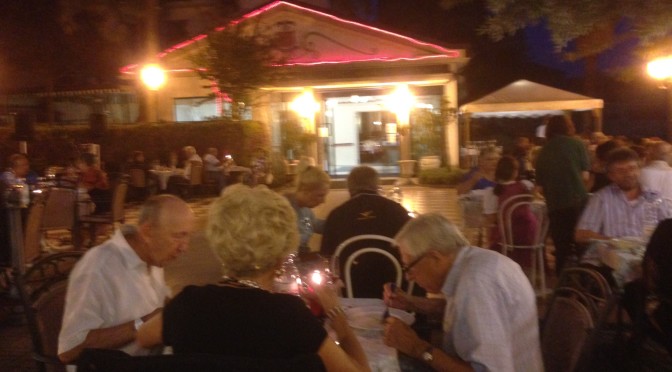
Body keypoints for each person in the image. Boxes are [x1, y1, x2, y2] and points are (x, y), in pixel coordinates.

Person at [136, 185, 370, 371]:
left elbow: (143, 338)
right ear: (281, 252)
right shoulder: (289, 316)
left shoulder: (188, 303)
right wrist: (337, 315)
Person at [382, 213, 543, 371]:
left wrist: (416, 347)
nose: (409, 277)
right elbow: (462, 313)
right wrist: (411, 303)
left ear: (434, 257)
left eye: (409, 267)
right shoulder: (474, 261)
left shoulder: (475, 284)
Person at [58, 195, 196, 363]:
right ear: (147, 232)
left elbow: (159, 306)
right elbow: (69, 351)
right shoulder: (99, 269)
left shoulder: (152, 258)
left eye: (187, 236)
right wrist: (143, 324)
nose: (184, 247)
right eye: (178, 236)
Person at [320, 166, 412, 298]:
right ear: (377, 186)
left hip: (350, 294)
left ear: (349, 189)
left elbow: (326, 258)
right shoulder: (397, 212)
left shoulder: (336, 215)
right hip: (394, 293)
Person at [575, 147, 672, 245]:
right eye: (620, 170)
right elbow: (582, 234)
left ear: (639, 169)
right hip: (611, 256)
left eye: (632, 168)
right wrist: (617, 243)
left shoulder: (655, 198)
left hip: (647, 257)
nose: (628, 174)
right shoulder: (601, 199)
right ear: (610, 176)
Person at [535, 115, 590, 275]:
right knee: (582, 245)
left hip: (556, 204)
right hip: (578, 200)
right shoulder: (577, 144)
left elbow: (539, 186)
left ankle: (562, 286)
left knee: (561, 248)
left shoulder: (542, 152)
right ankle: (584, 281)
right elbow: (585, 176)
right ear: (569, 127)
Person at [482, 155, 537, 268]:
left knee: (490, 229)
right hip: (530, 235)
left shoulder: (492, 192)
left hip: (506, 238)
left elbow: (491, 219)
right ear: (515, 172)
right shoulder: (526, 186)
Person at [284, 166, 330, 254]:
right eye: (320, 195)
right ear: (305, 190)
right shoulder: (284, 208)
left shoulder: (305, 209)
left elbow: (314, 224)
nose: (323, 201)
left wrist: (339, 220)